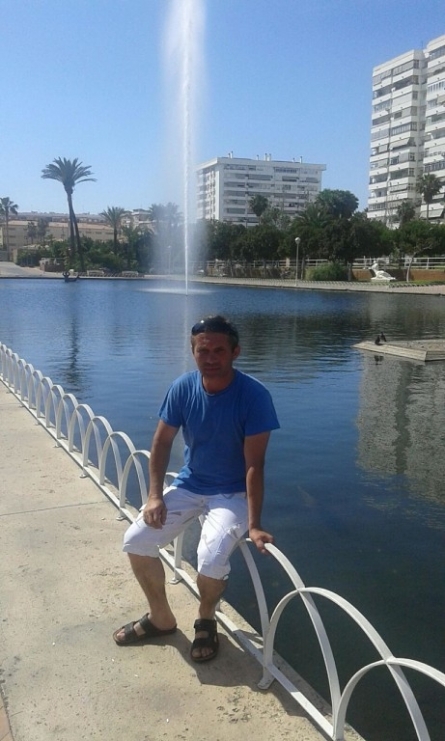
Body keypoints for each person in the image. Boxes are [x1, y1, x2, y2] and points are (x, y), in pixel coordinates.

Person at [113, 315, 280, 662]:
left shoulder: (254, 396)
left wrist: (254, 524)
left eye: (219, 350)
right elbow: (161, 442)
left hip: (231, 493)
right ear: (193, 352)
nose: (211, 358)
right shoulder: (183, 387)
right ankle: (161, 618)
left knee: (210, 559)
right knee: (136, 540)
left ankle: (206, 617)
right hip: (190, 483)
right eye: (203, 351)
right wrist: (154, 496)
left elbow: (255, 464)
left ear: (235, 352)